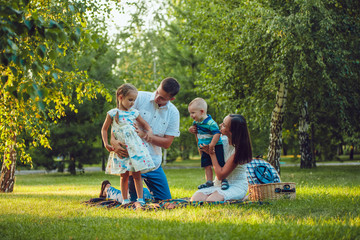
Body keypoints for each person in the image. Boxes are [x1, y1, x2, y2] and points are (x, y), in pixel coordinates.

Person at [109, 77, 180, 201]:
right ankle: (109, 190)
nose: (157, 97)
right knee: (133, 200)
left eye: (163, 98)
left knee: (165, 200)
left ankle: (145, 192)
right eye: (158, 92)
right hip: (133, 160)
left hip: (153, 162)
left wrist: (146, 135)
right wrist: (112, 140)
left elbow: (167, 143)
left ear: (171, 99)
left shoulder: (173, 113)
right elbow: (119, 118)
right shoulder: (138, 97)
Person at [101, 83, 155, 205]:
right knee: (123, 175)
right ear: (120, 97)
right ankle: (125, 200)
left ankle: (140, 199)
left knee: (137, 175)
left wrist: (148, 133)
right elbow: (104, 129)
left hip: (135, 150)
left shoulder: (134, 113)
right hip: (122, 150)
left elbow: (146, 126)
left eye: (134, 100)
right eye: (130, 100)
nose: (132, 103)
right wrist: (106, 143)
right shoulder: (113, 113)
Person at [190, 114, 253, 202]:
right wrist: (198, 134)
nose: (220, 125)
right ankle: (233, 199)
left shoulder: (238, 150)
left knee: (211, 201)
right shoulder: (221, 140)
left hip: (236, 185)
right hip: (218, 184)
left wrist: (212, 153)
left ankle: (241, 198)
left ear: (231, 132)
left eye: (223, 125)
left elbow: (220, 175)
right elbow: (202, 150)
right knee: (195, 199)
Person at [188, 98, 229, 190]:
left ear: (202, 111)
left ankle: (223, 180)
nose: (191, 115)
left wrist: (212, 145)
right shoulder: (196, 122)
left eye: (193, 113)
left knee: (219, 163)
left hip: (215, 146)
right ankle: (209, 182)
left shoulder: (211, 123)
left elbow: (217, 133)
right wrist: (191, 129)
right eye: (190, 113)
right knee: (207, 165)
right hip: (204, 147)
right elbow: (196, 132)